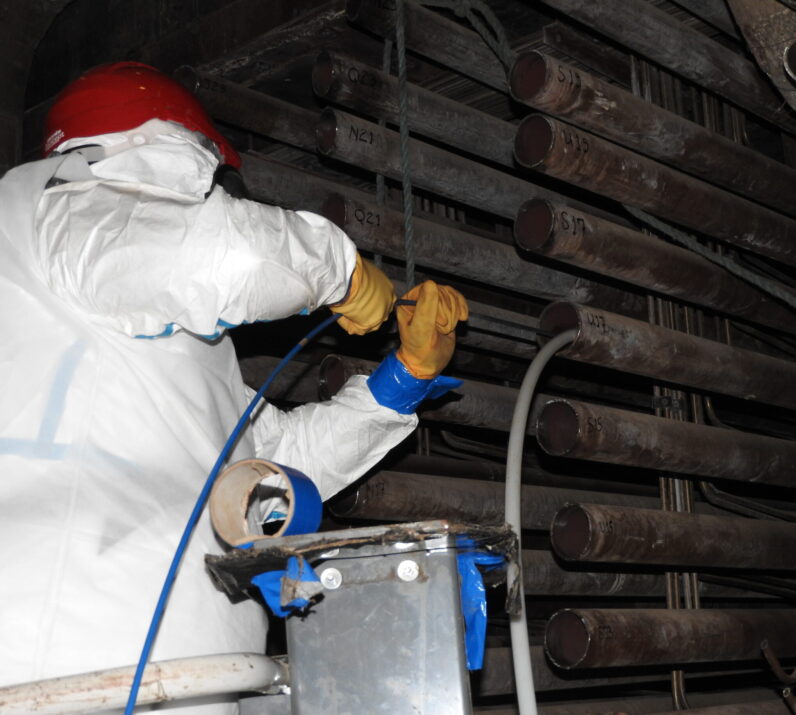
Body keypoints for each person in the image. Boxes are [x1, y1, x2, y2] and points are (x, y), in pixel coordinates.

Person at [0, 61, 467, 712]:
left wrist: (403, 379)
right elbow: (233, 256)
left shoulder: (181, 349)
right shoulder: (55, 212)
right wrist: (342, 271)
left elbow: (271, 473)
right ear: (165, 150)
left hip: (187, 676)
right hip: (64, 663)